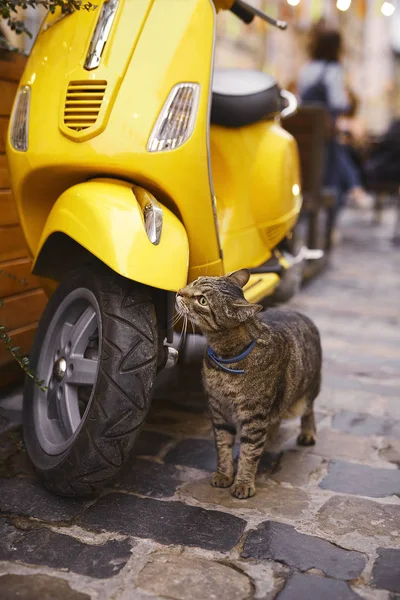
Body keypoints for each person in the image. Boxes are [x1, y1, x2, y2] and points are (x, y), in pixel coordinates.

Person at [298, 22, 372, 209]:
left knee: (335, 150)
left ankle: (356, 188)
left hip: (304, 139)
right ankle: (355, 188)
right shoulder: (333, 72)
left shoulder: (306, 69)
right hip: (324, 140)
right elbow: (339, 103)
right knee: (340, 151)